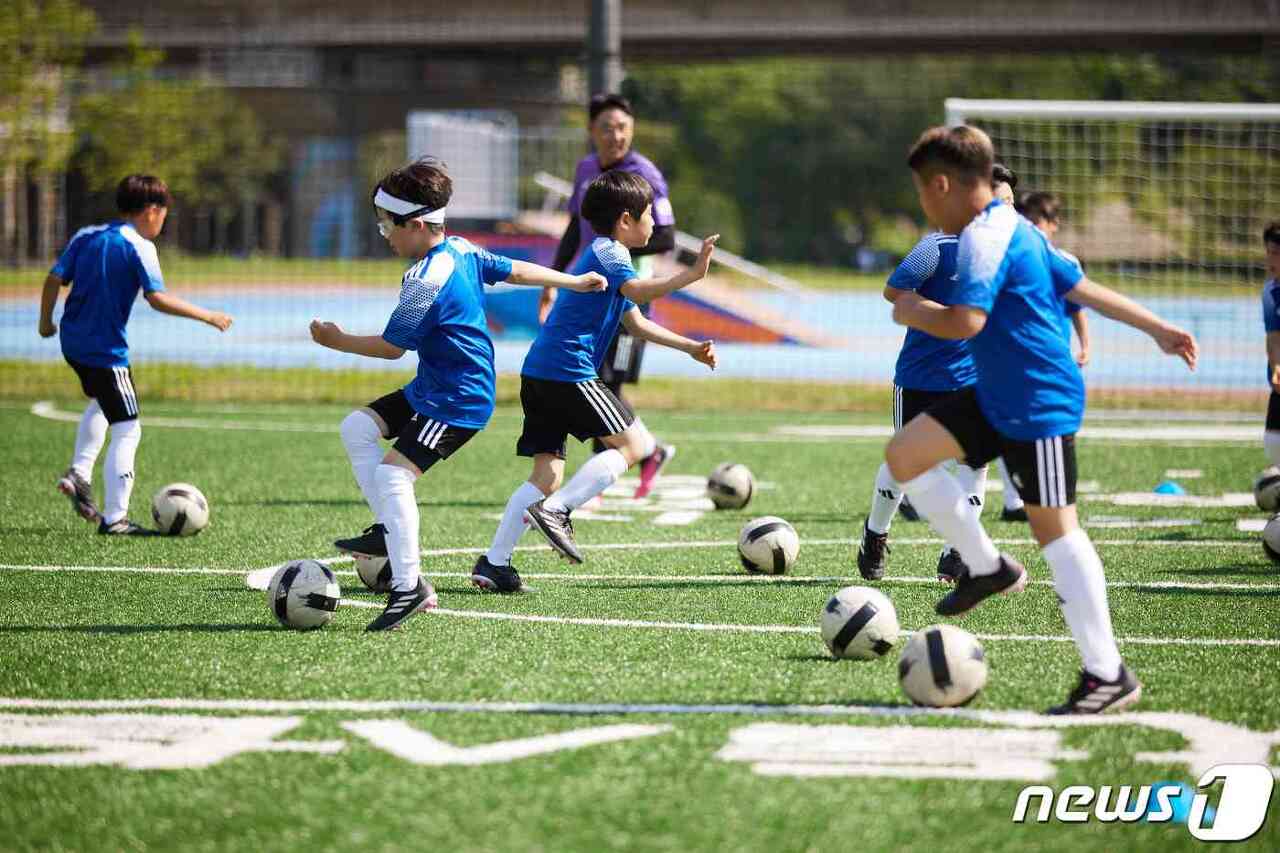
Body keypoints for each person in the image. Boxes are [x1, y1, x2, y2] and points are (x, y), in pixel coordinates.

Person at [885, 125, 1197, 713]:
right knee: (904, 455)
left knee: (1057, 532)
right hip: (995, 394)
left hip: (1036, 400)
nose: (923, 206)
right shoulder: (1013, 226)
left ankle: (1107, 674)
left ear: (942, 185)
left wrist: (911, 309)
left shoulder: (984, 239)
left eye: (922, 192)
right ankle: (986, 566)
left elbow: (965, 321)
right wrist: (1157, 327)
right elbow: (1082, 287)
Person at [311, 158, 607, 631]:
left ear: (415, 223)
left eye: (386, 224)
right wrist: (571, 280)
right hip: (434, 386)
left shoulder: (424, 280)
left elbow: (391, 348)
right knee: (357, 427)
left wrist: (336, 340)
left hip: (456, 398)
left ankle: (408, 587)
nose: (384, 234)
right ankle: (388, 530)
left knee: (393, 476)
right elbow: (515, 271)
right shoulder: (462, 249)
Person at [473, 170, 718, 592]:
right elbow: (639, 292)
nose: (654, 223)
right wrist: (691, 274)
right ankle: (558, 511)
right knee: (634, 446)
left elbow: (636, 323)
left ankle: (495, 563)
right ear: (625, 220)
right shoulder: (611, 252)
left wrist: (690, 347)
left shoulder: (605, 255)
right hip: (568, 372)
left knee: (545, 476)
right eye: (648, 215)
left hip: (540, 372)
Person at [38, 174, 233, 535]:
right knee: (128, 429)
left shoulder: (87, 235)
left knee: (102, 402)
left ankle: (79, 472)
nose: (163, 221)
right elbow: (156, 298)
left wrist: (45, 322)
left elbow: (53, 279)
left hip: (73, 342)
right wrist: (208, 316)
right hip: (105, 350)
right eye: (164, 214)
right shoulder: (139, 246)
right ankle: (116, 519)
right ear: (151, 211)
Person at [544, 93, 679, 499]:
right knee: (591, 382)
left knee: (605, 386)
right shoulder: (586, 169)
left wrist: (613, 253)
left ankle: (605, 477)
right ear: (591, 131)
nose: (615, 135)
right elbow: (574, 228)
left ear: (632, 130)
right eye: (606, 127)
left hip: (627, 297)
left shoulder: (645, 175)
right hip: (589, 295)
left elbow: (666, 236)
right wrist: (553, 279)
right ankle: (646, 452)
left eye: (623, 127)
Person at [857, 227, 986, 584]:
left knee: (974, 465)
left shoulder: (1008, 249)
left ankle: (957, 551)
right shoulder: (936, 248)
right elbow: (893, 291)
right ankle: (875, 535)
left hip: (972, 380)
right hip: (919, 379)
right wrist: (947, 316)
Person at [996, 190, 1094, 522]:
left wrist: (1085, 344)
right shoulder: (1012, 258)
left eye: (1038, 220)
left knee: (1053, 427)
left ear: (1054, 223)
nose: (1032, 225)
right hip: (1015, 362)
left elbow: (1079, 306)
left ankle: (1051, 496)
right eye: (1027, 219)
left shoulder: (1063, 262)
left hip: (1053, 363)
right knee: (1005, 425)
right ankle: (1013, 501)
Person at [1262, 222, 1280, 468]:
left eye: (1275, 253)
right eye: (1268, 252)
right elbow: (1274, 337)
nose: (1270, 259)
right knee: (1273, 441)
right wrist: (1277, 366)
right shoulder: (1270, 293)